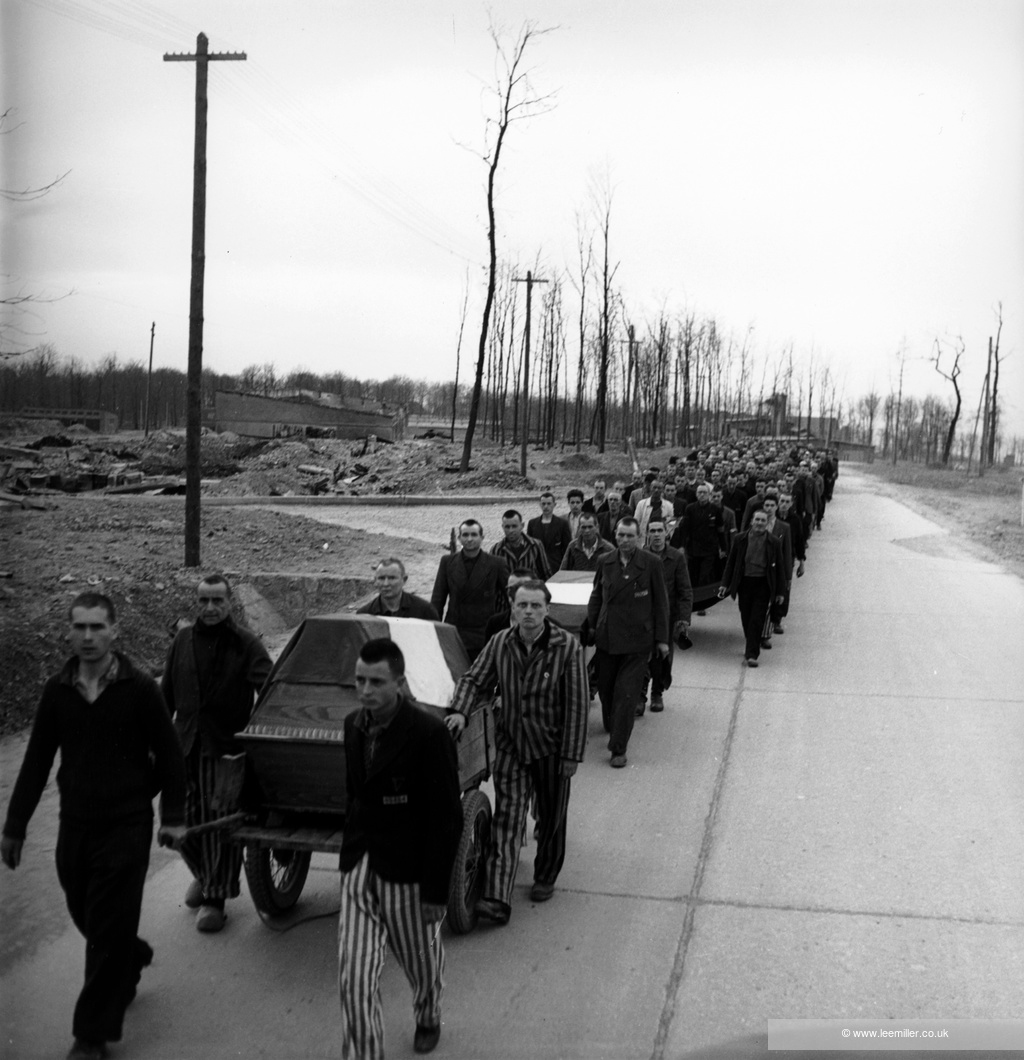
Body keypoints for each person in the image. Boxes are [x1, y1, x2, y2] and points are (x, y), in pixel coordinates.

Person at [2, 593, 186, 1060]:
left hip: (127, 822)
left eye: (97, 628)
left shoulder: (140, 688)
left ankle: (92, 1034)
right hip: (75, 822)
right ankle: (132, 954)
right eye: (79, 627)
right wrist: (15, 825)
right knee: (84, 908)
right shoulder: (56, 691)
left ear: (114, 631)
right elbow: (37, 760)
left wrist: (176, 818)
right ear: (68, 631)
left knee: (105, 921)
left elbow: (169, 756)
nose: (88, 637)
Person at [338, 639, 462, 1058]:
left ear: (401, 683)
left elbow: (446, 818)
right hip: (360, 868)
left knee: (420, 964)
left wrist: (434, 892)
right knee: (354, 979)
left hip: (409, 876)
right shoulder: (352, 725)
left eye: (376, 681)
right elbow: (355, 795)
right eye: (359, 680)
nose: (365, 690)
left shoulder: (429, 734)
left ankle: (428, 1012)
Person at [447, 582, 588, 921]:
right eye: (522, 605)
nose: (528, 612)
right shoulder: (500, 643)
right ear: (512, 609)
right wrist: (459, 710)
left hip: (551, 749)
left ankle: (545, 875)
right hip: (511, 745)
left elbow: (578, 706)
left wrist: (570, 755)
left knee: (552, 817)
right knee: (508, 819)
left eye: (535, 606)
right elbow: (473, 680)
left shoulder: (566, 647)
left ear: (547, 610)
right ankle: (497, 898)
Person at [161, 573, 273, 932]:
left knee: (218, 821)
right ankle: (204, 874)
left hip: (225, 749)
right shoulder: (181, 640)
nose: (210, 608)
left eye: (217, 601)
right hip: (184, 745)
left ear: (230, 603)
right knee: (179, 821)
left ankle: (215, 898)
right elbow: (165, 695)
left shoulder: (247, 644)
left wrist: (253, 734)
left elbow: (269, 692)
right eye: (204, 601)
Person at [587, 517, 669, 768]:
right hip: (607, 639)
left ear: (639, 537)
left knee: (626, 694)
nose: (624, 540)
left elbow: (661, 603)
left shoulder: (651, 563)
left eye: (630, 536)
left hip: (637, 641)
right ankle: (614, 725)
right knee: (608, 690)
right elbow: (597, 595)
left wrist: (662, 639)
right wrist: (592, 625)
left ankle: (618, 748)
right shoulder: (605, 561)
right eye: (620, 535)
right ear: (615, 535)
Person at [431, 519, 509, 661]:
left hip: (484, 633)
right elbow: (438, 599)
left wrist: (505, 629)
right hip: (455, 631)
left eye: (474, 535)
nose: (469, 539)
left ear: (482, 538)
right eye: (465, 535)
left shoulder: (496, 563)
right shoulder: (447, 562)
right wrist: (435, 629)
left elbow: (511, 598)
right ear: (459, 538)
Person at [717, 510, 784, 668]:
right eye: (757, 520)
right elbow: (731, 563)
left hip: (763, 584)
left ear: (767, 523)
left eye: (763, 520)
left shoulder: (774, 542)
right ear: (751, 521)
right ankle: (751, 643)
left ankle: (751, 654)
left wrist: (780, 592)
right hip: (744, 583)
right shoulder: (740, 539)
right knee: (746, 616)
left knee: (757, 618)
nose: (760, 523)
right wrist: (724, 584)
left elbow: (779, 568)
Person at [641, 519, 693, 714]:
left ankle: (657, 692)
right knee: (642, 655)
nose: (656, 534)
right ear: (647, 534)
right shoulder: (641, 556)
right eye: (652, 531)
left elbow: (685, 589)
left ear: (666, 533)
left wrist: (683, 619)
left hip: (668, 616)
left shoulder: (676, 558)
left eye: (659, 530)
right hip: (644, 614)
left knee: (663, 656)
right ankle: (640, 695)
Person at [672, 483, 726, 592]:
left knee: (704, 576)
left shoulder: (715, 509)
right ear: (696, 494)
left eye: (704, 492)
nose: (702, 495)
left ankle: (703, 602)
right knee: (693, 575)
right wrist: (682, 546)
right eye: (700, 492)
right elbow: (684, 529)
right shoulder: (690, 508)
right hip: (693, 549)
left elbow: (720, 530)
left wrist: (723, 548)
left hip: (710, 549)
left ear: (709, 494)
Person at [358, 558, 439, 620]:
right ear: (375, 581)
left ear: (404, 580)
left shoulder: (424, 610)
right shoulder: (365, 614)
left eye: (392, 578)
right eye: (381, 578)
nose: (386, 584)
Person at [490, 509, 550, 581]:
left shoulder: (535, 546)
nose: (511, 530)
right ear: (502, 527)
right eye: (507, 527)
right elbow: (492, 578)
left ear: (522, 526)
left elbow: (546, 573)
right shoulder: (496, 550)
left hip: (530, 590)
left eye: (514, 526)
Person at [527, 492, 573, 574]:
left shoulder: (562, 523)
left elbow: (567, 547)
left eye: (549, 504)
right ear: (540, 505)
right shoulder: (532, 523)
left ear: (554, 505)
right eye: (543, 504)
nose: (546, 506)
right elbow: (529, 546)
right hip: (537, 566)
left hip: (556, 565)